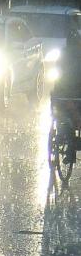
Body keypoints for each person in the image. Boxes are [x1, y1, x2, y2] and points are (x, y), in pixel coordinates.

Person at [51, 29, 81, 162]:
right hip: (74, 95)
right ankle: (70, 147)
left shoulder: (62, 54)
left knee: (62, 116)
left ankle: (69, 146)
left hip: (62, 94)